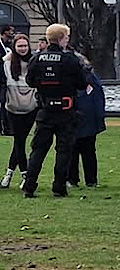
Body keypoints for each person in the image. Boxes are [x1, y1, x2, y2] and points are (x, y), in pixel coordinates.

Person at [22, 24, 91, 198]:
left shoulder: (37, 59)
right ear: (61, 39)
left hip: (45, 110)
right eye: (66, 37)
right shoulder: (70, 60)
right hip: (66, 110)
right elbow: (82, 83)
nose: (68, 40)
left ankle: (29, 186)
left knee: (38, 150)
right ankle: (59, 187)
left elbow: (30, 81)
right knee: (64, 151)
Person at [1, 34, 37, 189]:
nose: (23, 49)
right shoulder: (6, 62)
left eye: (25, 46)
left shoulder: (34, 62)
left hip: (31, 106)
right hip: (13, 106)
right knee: (19, 141)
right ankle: (24, 174)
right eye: (20, 46)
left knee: (19, 141)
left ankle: (10, 175)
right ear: (14, 47)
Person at [68, 55, 105, 188]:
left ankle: (73, 179)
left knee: (72, 151)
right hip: (88, 119)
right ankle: (91, 180)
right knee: (88, 151)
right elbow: (99, 100)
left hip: (74, 117)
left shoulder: (73, 78)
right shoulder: (92, 79)